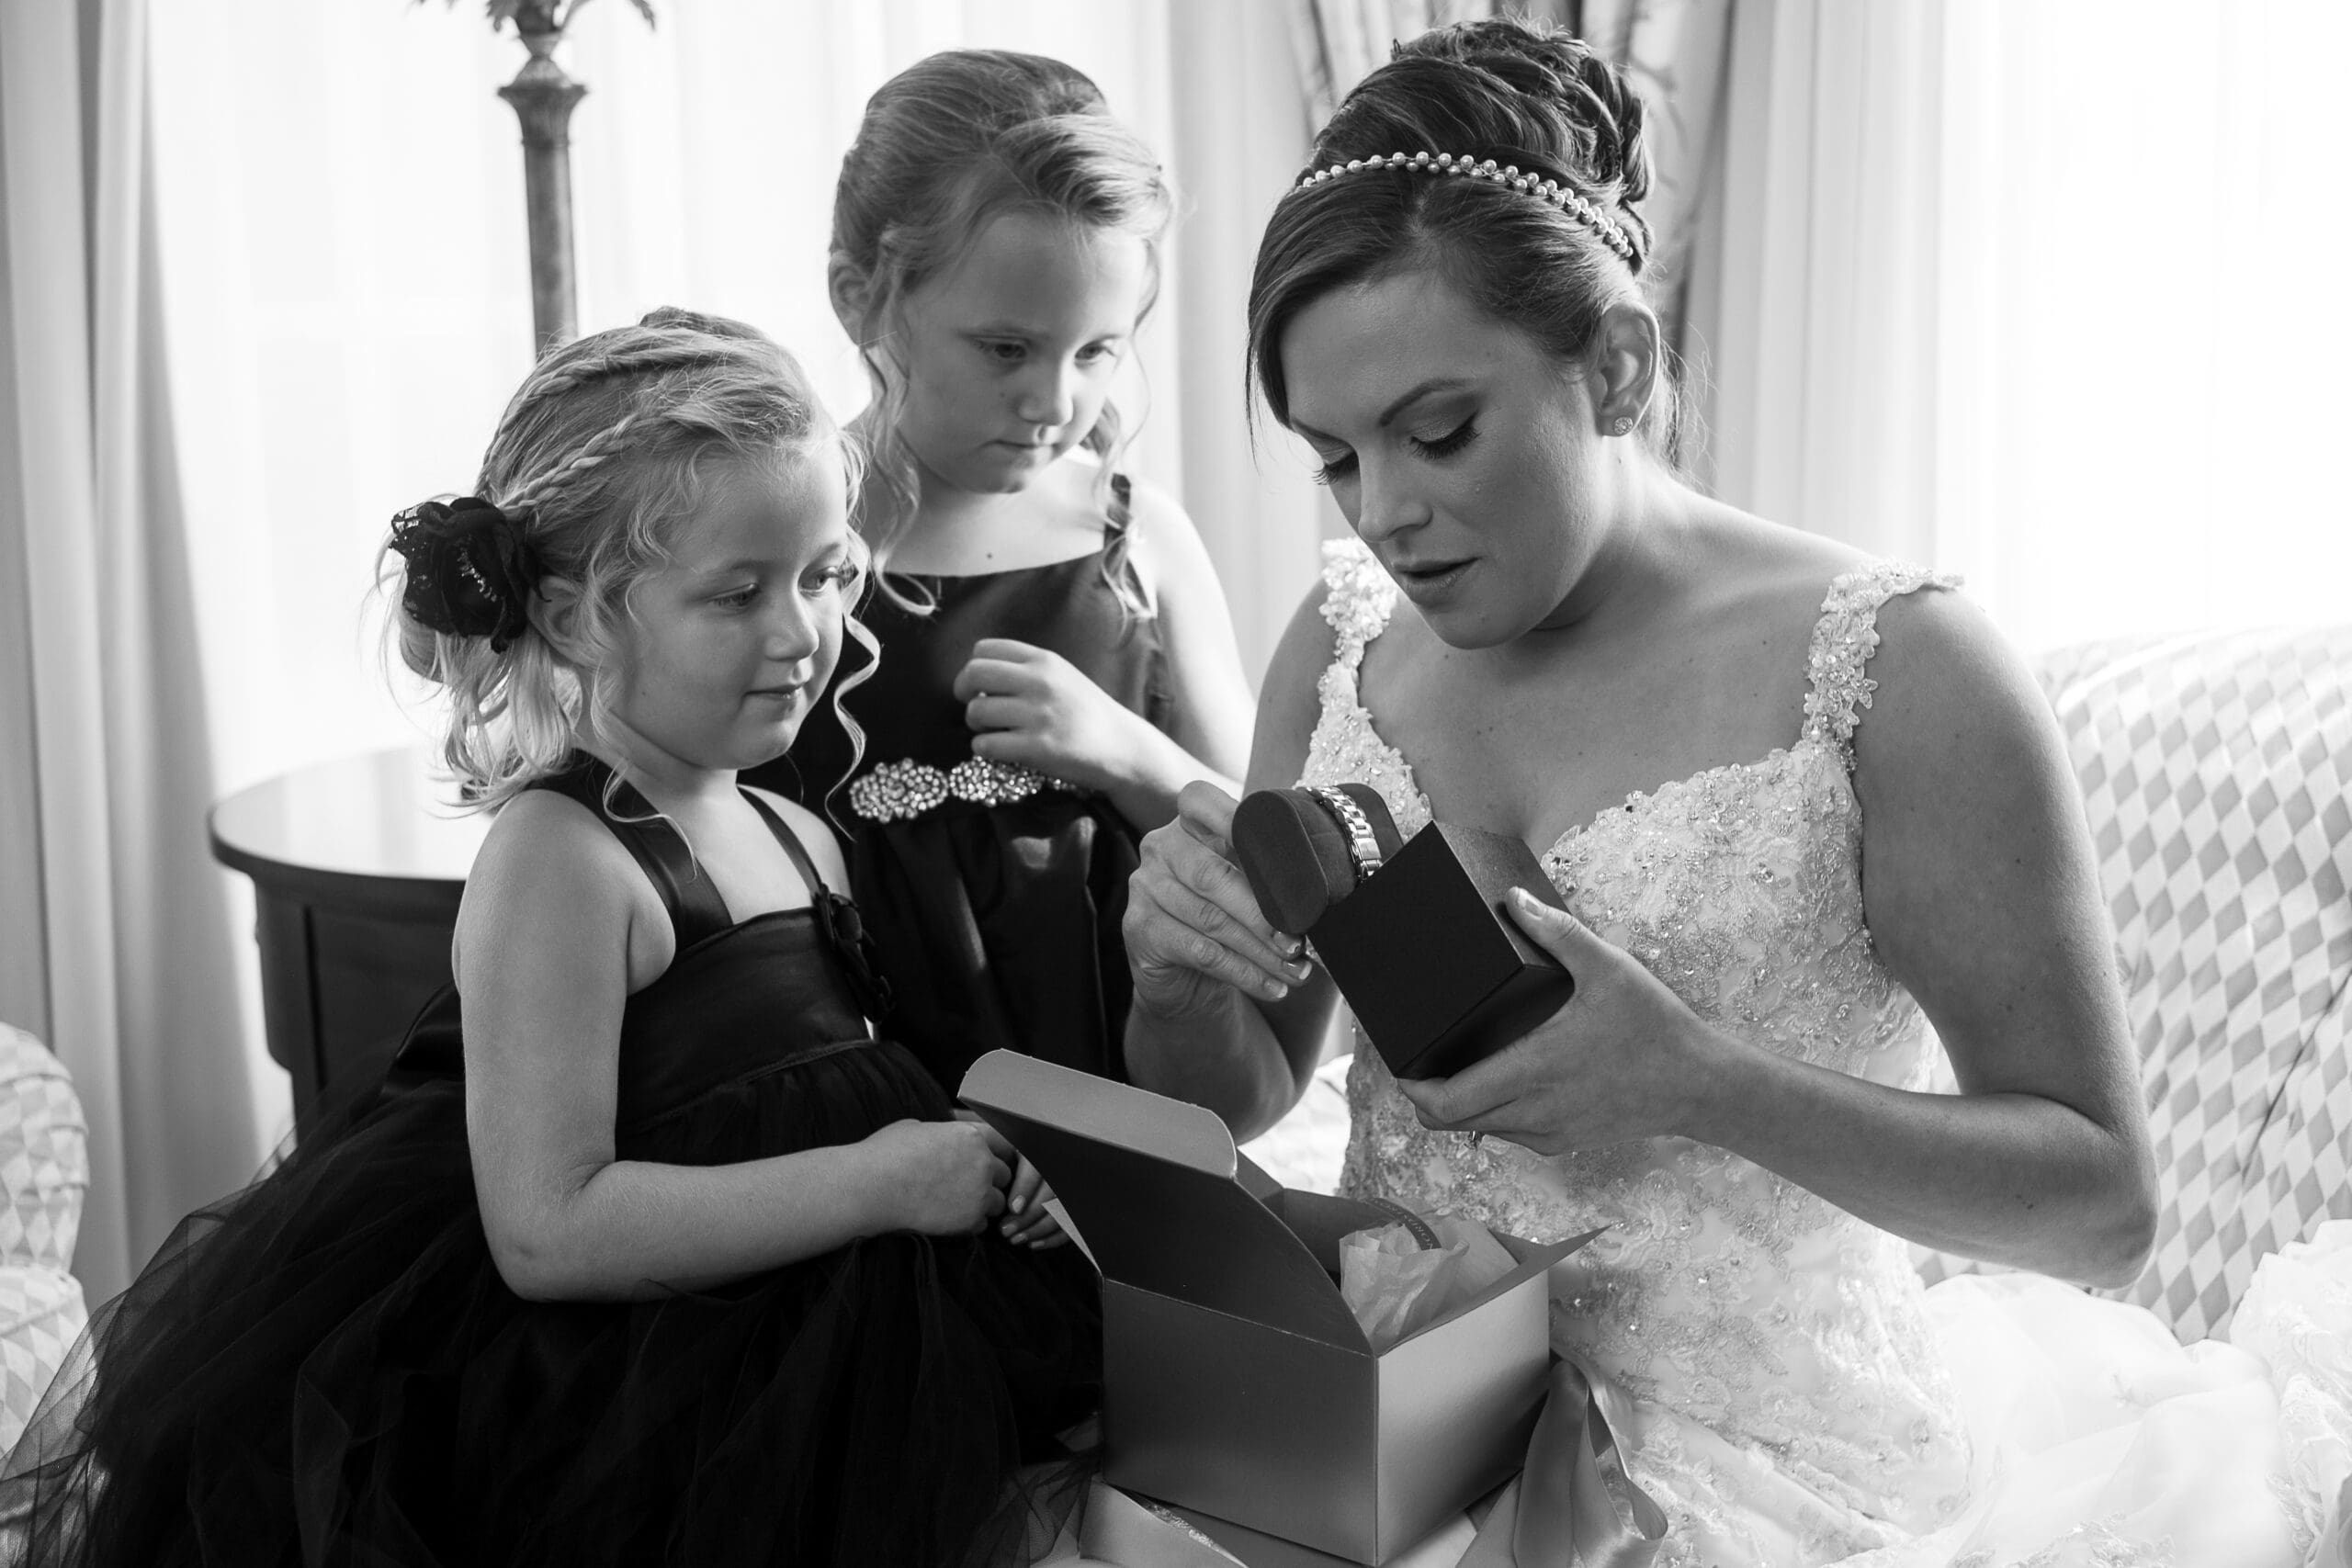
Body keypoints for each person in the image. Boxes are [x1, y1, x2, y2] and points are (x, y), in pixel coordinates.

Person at [1120, 20, 2352, 1566]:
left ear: (1620, 364)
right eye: (1337, 458)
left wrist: (1700, 1077)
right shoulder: (1344, 641)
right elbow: (1243, 1089)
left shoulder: (1900, 669)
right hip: (1400, 1421)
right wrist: (1178, 975)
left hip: (1767, 1471)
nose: (1389, 514)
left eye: (1440, 432)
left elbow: (2099, 1204)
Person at [3, 310, 1100, 1567]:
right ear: (578, 619)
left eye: (824, 575)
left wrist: (973, 1166)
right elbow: (548, 1227)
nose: (801, 632)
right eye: (738, 593)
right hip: (654, 1404)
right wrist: (886, 1178)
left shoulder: (798, 830)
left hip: (857, 1346)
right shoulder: (564, 858)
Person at [745, 50, 1253, 1095]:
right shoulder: (777, 551)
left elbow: (1263, 835)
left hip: (1107, 1086)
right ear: (861, 298)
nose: (1054, 402)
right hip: (848, 1089)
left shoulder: (1137, 541)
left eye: (1097, 351)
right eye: (1006, 349)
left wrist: (1129, 754)